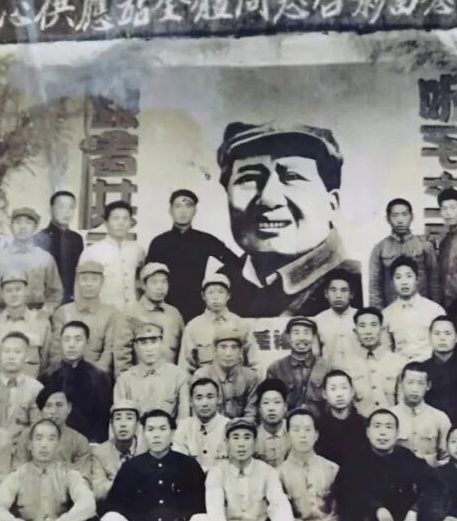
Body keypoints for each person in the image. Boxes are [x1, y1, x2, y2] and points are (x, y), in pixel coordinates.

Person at [213, 121, 363, 319]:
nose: (269, 199)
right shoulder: (219, 284)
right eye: (249, 179)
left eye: (292, 177)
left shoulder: (360, 283)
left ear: (332, 204)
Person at [99, 410, 207, 521]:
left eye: (162, 429)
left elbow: (200, 504)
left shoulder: (188, 465)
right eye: (150, 429)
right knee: (110, 518)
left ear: (172, 432)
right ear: (143, 433)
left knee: (203, 519)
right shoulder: (131, 467)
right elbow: (115, 505)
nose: (156, 435)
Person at [333, 409, 445, 521]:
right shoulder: (355, 460)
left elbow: (434, 484)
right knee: (350, 514)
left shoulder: (406, 457)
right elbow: (346, 492)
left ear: (397, 433)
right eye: (377, 426)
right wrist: (376, 508)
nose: (383, 432)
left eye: (388, 427)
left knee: (434, 503)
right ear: (368, 432)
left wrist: (414, 511)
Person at [194, 417, 295, 521]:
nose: (241, 444)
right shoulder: (217, 472)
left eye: (247, 438)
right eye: (235, 438)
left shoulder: (267, 471)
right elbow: (215, 506)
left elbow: (278, 502)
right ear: (227, 443)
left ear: (255, 443)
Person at [146, 188, 239, 321]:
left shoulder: (205, 240)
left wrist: (215, 280)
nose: (183, 211)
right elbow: (148, 277)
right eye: (178, 206)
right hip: (164, 307)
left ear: (195, 211)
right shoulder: (159, 242)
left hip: (197, 307)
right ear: (170, 210)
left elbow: (235, 263)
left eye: (188, 206)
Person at [278, 409, 344, 521]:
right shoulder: (278, 474)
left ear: (316, 435)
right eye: (296, 430)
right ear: (287, 435)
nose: (302, 435)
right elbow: (281, 511)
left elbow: (340, 508)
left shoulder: (332, 469)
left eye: (307, 430)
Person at [0, 206, 63, 324]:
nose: (22, 227)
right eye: (17, 222)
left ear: (35, 227)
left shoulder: (45, 258)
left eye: (28, 222)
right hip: (1, 315)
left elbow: (56, 292)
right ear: (11, 226)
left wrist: (47, 309)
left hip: (35, 316)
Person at [38, 321, 112, 444]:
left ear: (87, 343)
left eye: (78, 340)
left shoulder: (99, 377)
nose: (71, 345)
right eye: (67, 339)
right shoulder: (47, 377)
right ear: (61, 342)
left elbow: (102, 418)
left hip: (88, 442)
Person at [47, 259, 125, 375]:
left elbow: (109, 351)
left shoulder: (112, 313)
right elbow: (55, 352)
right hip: (66, 374)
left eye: (94, 279)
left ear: (102, 282)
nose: (89, 284)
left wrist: (95, 375)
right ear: (77, 281)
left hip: (97, 375)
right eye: (84, 279)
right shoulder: (63, 312)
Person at [368, 198, 439, 308]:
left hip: (422, 308)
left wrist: (435, 309)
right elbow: (375, 287)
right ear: (388, 219)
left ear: (412, 217)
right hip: (392, 309)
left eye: (404, 214)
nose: (400, 220)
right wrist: (379, 314)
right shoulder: (380, 249)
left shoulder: (424, 246)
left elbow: (434, 282)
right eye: (395, 215)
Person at [112, 321, 189, 421]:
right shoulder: (124, 380)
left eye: (153, 342)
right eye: (143, 343)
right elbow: (120, 421)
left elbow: (183, 419)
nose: (149, 348)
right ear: (136, 347)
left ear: (162, 343)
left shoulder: (178, 376)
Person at [77, 200, 144, 312]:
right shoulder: (91, 252)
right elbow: (80, 289)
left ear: (130, 223)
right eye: (116, 218)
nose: (121, 223)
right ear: (106, 223)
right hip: (103, 315)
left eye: (125, 218)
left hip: (134, 314)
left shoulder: (138, 250)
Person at [338, 307, 406, 417]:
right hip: (359, 424)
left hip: (390, 423)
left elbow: (403, 404)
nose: (368, 331)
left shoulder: (398, 362)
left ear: (382, 330)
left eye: (373, 325)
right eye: (362, 326)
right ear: (355, 332)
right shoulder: (345, 364)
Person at [0, 331, 44, 443]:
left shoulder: (36, 389)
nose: (11, 356)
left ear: (27, 356)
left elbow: (38, 428)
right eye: (6, 351)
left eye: (17, 352)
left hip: (23, 447)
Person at [0, 273, 50, 379]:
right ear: (2, 294)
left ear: (26, 292)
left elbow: (45, 363)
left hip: (31, 385)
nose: (14, 294)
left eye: (18, 289)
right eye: (8, 290)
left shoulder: (41, 322)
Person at [178, 273, 248, 374]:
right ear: (203, 296)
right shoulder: (193, 326)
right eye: (211, 292)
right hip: (204, 381)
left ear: (228, 295)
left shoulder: (241, 324)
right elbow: (185, 366)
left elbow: (251, 363)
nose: (216, 297)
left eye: (221, 292)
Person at [382, 256, 446, 362]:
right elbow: (386, 351)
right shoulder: (386, 314)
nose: (404, 282)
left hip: (430, 366)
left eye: (409, 276)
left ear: (417, 279)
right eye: (398, 277)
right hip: (400, 367)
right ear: (392, 282)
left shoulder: (435, 310)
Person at [20, 388, 94, 475]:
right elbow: (19, 470)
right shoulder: (27, 436)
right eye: (48, 406)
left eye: (59, 405)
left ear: (69, 407)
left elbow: (83, 476)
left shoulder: (79, 441)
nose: (53, 411)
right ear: (40, 409)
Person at [192, 325, 260, 419]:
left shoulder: (250, 377)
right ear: (215, 350)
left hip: (240, 427)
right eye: (223, 347)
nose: (228, 353)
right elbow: (198, 414)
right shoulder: (202, 375)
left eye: (234, 347)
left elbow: (251, 413)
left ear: (240, 351)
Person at [391, 361, 451, 466]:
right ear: (401, 383)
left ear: (428, 385)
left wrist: (436, 466)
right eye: (410, 382)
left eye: (420, 383)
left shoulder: (440, 418)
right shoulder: (390, 416)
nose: (414, 389)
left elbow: (448, 457)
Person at [265, 317, 330, 411]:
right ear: (288, 337)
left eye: (306, 333)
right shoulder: (275, 369)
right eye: (296, 333)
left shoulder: (327, 368)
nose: (302, 338)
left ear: (313, 337)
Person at [419, 316, 457, 425]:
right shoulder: (422, 369)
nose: (442, 338)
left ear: (456, 338)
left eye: (447, 334)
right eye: (437, 333)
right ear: (429, 337)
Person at [129, 262, 184, 364]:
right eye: (154, 282)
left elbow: (183, 353)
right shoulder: (131, 313)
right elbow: (122, 358)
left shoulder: (174, 313)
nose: (160, 287)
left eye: (164, 282)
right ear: (143, 285)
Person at [35, 190, 84, 305]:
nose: (66, 212)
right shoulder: (39, 238)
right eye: (61, 207)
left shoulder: (77, 239)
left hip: (71, 300)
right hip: (46, 301)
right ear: (51, 209)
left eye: (71, 207)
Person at [312, 268, 367, 367]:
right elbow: (316, 356)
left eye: (344, 290)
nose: (338, 295)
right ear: (326, 293)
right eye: (333, 290)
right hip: (330, 374)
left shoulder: (363, 317)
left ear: (351, 294)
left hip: (360, 373)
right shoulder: (317, 321)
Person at [174, 378, 229, 471]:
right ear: (191, 401)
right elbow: (179, 462)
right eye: (199, 398)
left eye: (210, 397)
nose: (204, 403)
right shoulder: (184, 427)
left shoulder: (228, 427)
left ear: (219, 399)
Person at [315, 370, 366, 467]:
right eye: (333, 389)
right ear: (324, 394)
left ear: (352, 392)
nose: (339, 394)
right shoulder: (317, 427)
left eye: (344, 388)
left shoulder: (364, 425)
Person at [88, 403, 139, 501]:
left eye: (129, 418)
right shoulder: (100, 452)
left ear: (137, 423)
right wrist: (122, 480)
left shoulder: (147, 449)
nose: (123, 424)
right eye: (118, 418)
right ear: (111, 424)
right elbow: (97, 492)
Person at [254, 378, 290, 467]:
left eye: (277, 402)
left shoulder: (294, 431)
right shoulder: (253, 437)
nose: (271, 408)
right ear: (259, 408)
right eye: (266, 403)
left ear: (285, 407)